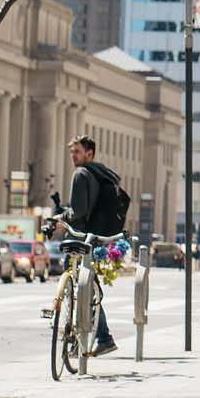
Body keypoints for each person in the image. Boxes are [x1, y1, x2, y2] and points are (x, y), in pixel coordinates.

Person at [44, 135, 126, 358]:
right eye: (72, 152)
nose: (73, 156)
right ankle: (103, 337)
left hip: (79, 238)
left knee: (79, 288)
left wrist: (59, 218)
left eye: (77, 152)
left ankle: (100, 337)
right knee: (86, 288)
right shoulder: (99, 172)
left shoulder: (81, 174)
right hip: (95, 235)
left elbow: (78, 211)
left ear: (89, 153)